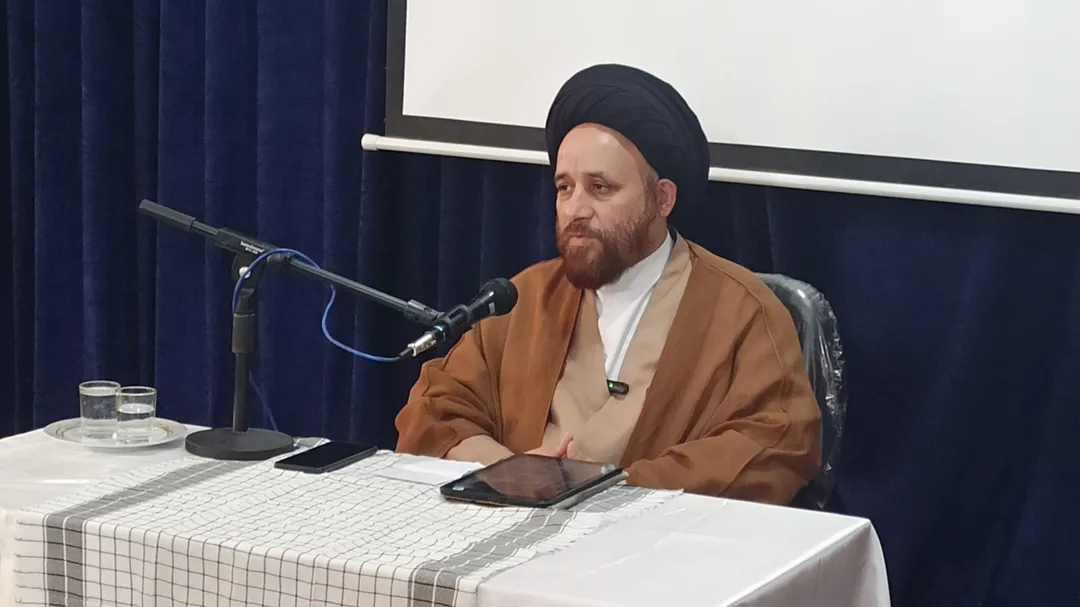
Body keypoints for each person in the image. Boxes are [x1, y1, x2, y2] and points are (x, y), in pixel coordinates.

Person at [395, 64, 821, 505]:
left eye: (600, 188)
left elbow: (777, 442)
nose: (575, 210)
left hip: (654, 538)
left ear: (662, 199)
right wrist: (510, 472)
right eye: (564, 188)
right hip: (511, 527)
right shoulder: (527, 297)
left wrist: (613, 489)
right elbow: (436, 407)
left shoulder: (742, 311)